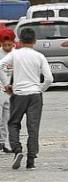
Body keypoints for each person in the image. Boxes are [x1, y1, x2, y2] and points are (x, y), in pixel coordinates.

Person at [0, 27, 53, 170]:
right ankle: (31, 160)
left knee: (13, 123)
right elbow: (49, 78)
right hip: (35, 95)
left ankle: (17, 149)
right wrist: (40, 89)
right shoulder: (39, 56)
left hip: (18, 94)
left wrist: (6, 85)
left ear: (20, 41)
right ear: (34, 41)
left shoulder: (15, 54)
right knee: (33, 128)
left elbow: (1, 65)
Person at [0, 28, 15, 154]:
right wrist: (6, 85)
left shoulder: (17, 54)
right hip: (1, 89)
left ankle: (5, 142)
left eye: (9, 44)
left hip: (11, 91)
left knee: (7, 118)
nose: (7, 47)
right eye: (4, 45)